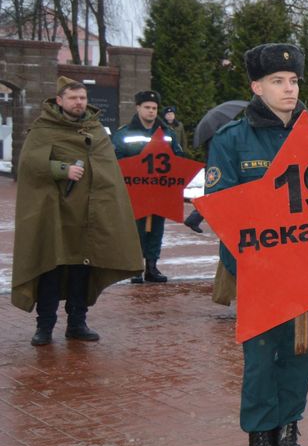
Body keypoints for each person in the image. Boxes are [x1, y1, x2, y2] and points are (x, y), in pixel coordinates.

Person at [205, 43, 308, 446]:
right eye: (277, 82)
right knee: (260, 360)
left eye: (293, 81)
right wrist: (251, 265)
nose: (289, 89)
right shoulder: (233, 140)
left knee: (298, 357)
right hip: (260, 274)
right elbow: (222, 210)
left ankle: (287, 440)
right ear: (256, 86)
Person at [12, 77, 143, 346]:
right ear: (59, 101)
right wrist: (62, 169)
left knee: (81, 271)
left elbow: (108, 171)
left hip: (88, 216)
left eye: (82, 98)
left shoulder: (95, 129)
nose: (78, 103)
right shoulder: (44, 129)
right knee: (51, 269)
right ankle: (45, 327)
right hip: (56, 215)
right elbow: (28, 165)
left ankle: (77, 323)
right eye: (72, 98)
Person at [112, 90, 185, 284]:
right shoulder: (125, 133)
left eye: (154, 108)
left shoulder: (167, 134)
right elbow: (116, 159)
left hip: (159, 190)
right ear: (138, 108)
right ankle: (136, 267)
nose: (151, 111)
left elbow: (178, 157)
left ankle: (151, 266)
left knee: (156, 229)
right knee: (135, 229)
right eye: (147, 107)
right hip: (134, 191)